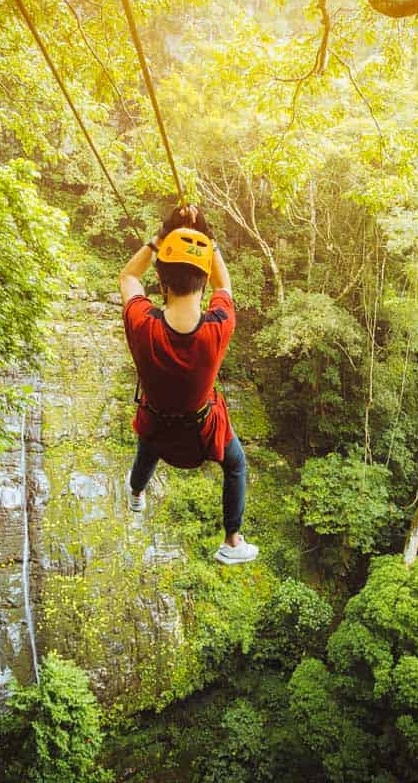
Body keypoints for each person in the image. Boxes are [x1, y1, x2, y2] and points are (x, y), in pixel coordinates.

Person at [118, 204, 258, 565]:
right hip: (201, 430)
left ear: (162, 282)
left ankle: (136, 491)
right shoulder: (218, 326)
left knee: (148, 442)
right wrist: (207, 241)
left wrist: (159, 240)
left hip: (157, 422)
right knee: (236, 464)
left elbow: (129, 279)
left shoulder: (143, 323)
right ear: (202, 278)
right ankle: (232, 539)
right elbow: (223, 284)